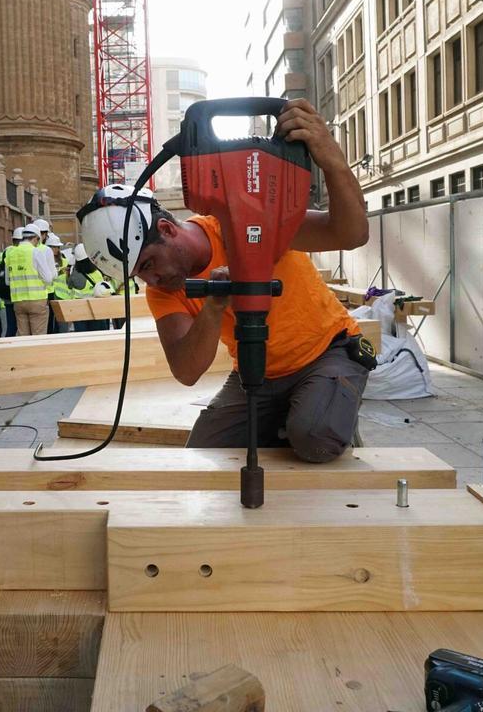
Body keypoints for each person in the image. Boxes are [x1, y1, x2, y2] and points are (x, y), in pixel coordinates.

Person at [77, 99, 371, 464]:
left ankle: (323, 412)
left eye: (150, 263)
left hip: (326, 353)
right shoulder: (163, 291)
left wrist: (332, 160)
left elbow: (351, 233)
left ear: (167, 229)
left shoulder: (247, 218)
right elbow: (187, 371)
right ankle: (297, 414)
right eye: (140, 274)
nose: (152, 278)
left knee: (313, 437)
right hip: (258, 375)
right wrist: (214, 305)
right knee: (203, 455)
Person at [6, 223, 49, 336]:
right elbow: (48, 278)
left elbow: (7, 281)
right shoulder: (36, 252)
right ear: (36, 238)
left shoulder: (10, 253)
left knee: (23, 337)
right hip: (37, 300)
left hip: (18, 301)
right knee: (38, 337)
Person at [0, 227, 24, 337]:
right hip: (19, 296)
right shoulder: (20, 253)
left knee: (11, 327)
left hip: (8, 296)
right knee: (20, 328)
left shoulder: (5, 253)